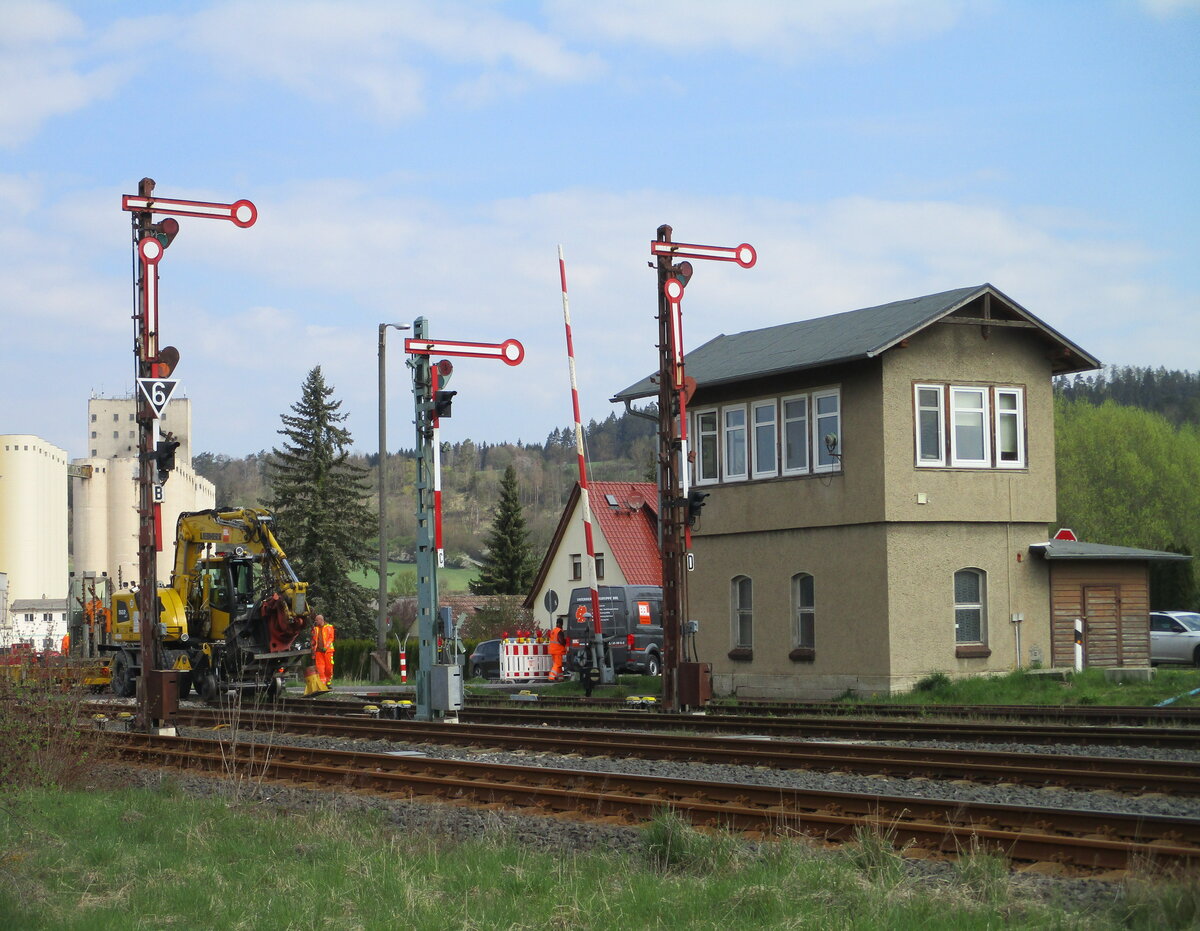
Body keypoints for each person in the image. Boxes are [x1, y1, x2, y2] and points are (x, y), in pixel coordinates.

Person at [312, 614, 336, 687]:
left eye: (317, 620)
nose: (316, 621)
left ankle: (328, 682)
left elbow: (331, 638)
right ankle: (323, 684)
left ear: (321, 620)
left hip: (328, 651)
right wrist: (313, 651)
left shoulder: (329, 627)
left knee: (329, 668)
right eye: (315, 620)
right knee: (320, 669)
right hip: (318, 652)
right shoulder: (315, 629)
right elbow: (313, 640)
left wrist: (326, 647)